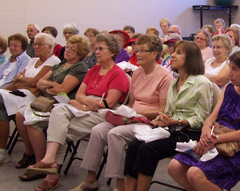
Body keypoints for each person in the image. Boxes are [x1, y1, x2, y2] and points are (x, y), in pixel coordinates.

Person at [26, 33, 130, 191]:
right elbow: (80, 94)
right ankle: (50, 162)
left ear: (113, 52)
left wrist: (83, 103)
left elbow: (107, 103)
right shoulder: (94, 70)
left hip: (103, 115)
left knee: (59, 126)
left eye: (101, 49)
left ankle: (51, 171)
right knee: (59, 111)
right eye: (96, 48)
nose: (96, 52)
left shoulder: (118, 74)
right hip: (86, 110)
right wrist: (85, 102)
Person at [72, 34, 174, 191]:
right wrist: (124, 111)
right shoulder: (138, 73)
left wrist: (135, 112)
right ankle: (90, 178)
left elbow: (163, 111)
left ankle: (120, 184)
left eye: (142, 51)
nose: (137, 54)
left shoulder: (165, 77)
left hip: (149, 122)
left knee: (115, 134)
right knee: (98, 130)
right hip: (132, 117)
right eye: (136, 50)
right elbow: (131, 102)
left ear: (154, 54)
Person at [168, 49, 240, 190]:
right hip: (216, 137)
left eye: (234, 69)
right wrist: (205, 132)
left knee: (194, 174)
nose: (229, 73)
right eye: (230, 68)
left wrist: (215, 139)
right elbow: (212, 117)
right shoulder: (229, 89)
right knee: (174, 167)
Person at [124, 41, 216, 191]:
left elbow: (203, 119)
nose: (172, 55)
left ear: (191, 58)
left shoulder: (202, 82)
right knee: (134, 145)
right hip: (173, 128)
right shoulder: (175, 83)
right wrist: (163, 119)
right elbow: (169, 111)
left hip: (190, 133)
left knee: (147, 149)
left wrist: (176, 121)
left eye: (179, 53)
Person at [15, 35, 89, 181]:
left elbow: (62, 90)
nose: (67, 51)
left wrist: (50, 84)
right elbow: (39, 83)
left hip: (62, 105)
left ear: (80, 54)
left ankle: (40, 162)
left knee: (33, 122)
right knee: (20, 115)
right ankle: (30, 153)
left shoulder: (80, 67)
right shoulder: (61, 64)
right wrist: (51, 85)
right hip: (46, 101)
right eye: (67, 47)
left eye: (72, 49)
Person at [0, 33, 60, 169]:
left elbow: (36, 83)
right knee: (0, 111)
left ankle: (8, 148)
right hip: (21, 94)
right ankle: (2, 151)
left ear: (49, 47)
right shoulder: (33, 61)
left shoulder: (53, 61)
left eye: (39, 44)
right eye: (35, 43)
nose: (36, 46)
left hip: (35, 98)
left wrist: (22, 81)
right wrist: (25, 82)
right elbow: (17, 81)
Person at [0, 33, 31, 159]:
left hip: (13, 95)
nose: (12, 48)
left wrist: (0, 92)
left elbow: (17, 83)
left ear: (23, 46)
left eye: (15, 45)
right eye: (11, 45)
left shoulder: (26, 61)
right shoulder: (9, 60)